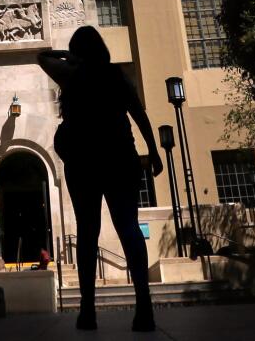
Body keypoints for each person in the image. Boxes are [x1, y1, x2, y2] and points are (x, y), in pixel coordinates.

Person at [40, 26, 162, 332]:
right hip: (119, 155)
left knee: (88, 232)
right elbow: (139, 114)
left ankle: (88, 310)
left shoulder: (72, 75)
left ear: (78, 51)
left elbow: (42, 57)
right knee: (128, 226)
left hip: (85, 161)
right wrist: (153, 152)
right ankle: (143, 304)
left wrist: (71, 58)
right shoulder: (115, 75)